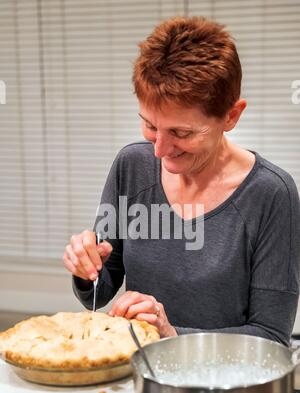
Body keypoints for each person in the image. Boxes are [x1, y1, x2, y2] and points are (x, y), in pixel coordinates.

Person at [63, 16, 300, 346]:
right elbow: (102, 288)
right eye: (149, 126)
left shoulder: (272, 194)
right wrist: (85, 267)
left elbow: (271, 338)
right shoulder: (131, 166)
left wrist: (171, 336)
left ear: (231, 115)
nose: (159, 149)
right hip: (141, 384)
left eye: (181, 133)